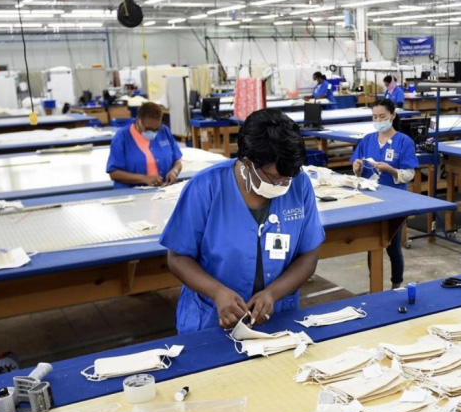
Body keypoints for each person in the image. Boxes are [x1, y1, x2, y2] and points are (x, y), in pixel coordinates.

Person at [161, 108, 324, 333]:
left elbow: (309, 255)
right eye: (276, 177)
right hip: (210, 319)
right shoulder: (205, 188)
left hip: (278, 318)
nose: (285, 184)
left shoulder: (299, 183)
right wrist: (217, 292)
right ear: (248, 164)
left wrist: (272, 294)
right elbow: (177, 257)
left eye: (290, 176)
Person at [351, 98, 418, 289]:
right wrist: (356, 167)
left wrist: (391, 170)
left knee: (393, 247)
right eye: (374, 116)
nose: (378, 120)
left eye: (382, 116)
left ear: (392, 116)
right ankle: (375, 282)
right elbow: (358, 170)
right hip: (369, 200)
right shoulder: (367, 140)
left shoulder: (404, 142)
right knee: (372, 245)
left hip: (394, 202)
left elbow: (409, 174)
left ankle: (396, 285)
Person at [107, 101, 183, 188]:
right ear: (138, 120)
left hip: (161, 191)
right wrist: (144, 179)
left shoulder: (164, 131)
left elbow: (177, 161)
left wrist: (174, 172)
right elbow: (114, 173)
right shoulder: (122, 137)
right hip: (131, 193)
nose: (153, 132)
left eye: (156, 129)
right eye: (148, 129)